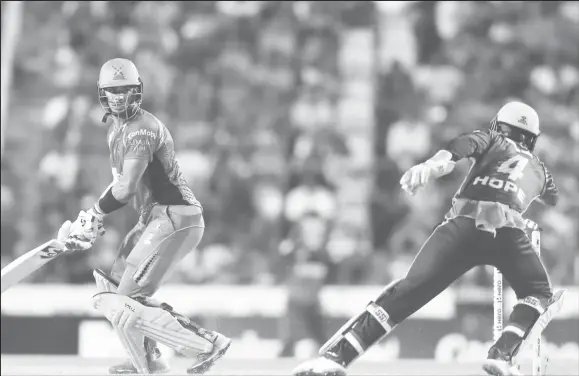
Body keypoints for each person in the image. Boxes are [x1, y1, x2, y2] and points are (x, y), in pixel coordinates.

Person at [292, 101, 567, 376]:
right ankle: (502, 355)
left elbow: (460, 147)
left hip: (462, 225)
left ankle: (335, 358)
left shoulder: (491, 138)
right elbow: (552, 199)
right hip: (508, 232)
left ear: (499, 126)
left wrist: (432, 165)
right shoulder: (542, 170)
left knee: (406, 293)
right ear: (532, 139)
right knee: (538, 292)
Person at [62, 58, 231, 375]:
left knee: (129, 299)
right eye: (113, 91)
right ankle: (147, 359)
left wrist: (98, 212)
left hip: (176, 218)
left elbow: (125, 189)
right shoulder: (116, 130)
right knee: (112, 292)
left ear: (137, 91)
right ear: (102, 94)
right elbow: (120, 184)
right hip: (152, 218)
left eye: (125, 90)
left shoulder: (142, 129)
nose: (119, 97)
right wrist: (92, 215)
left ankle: (207, 343)